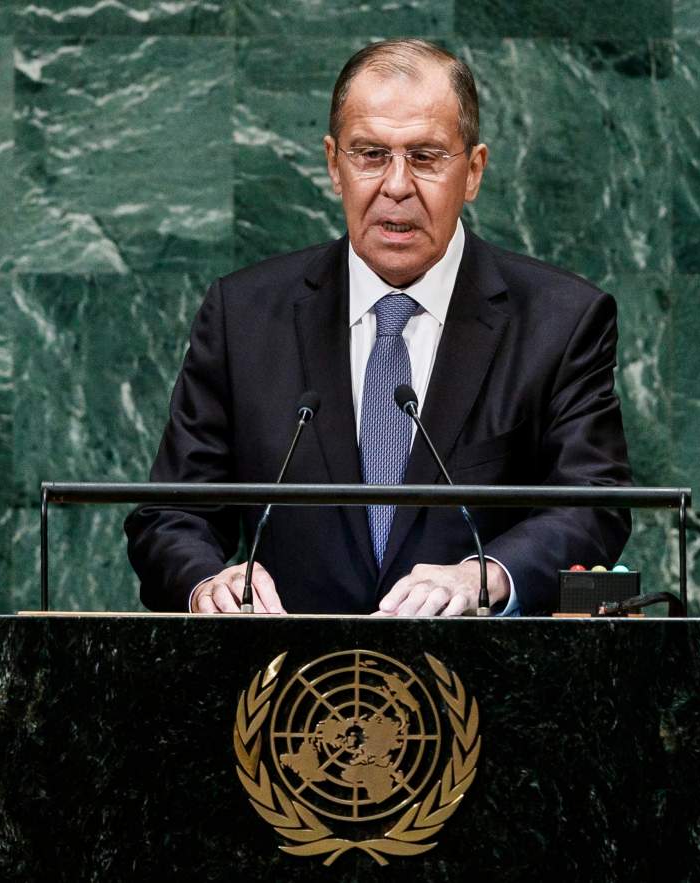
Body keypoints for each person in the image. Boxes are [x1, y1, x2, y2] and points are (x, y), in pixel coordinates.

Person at [125, 39, 631, 616]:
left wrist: (483, 576)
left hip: (488, 684)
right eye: (369, 154)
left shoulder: (560, 321)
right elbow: (170, 514)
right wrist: (205, 583)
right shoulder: (243, 316)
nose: (396, 185)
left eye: (425, 156)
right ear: (333, 165)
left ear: (474, 171)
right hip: (285, 689)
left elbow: (594, 505)